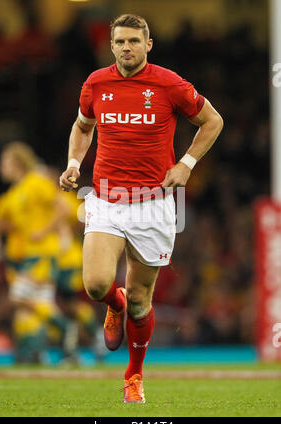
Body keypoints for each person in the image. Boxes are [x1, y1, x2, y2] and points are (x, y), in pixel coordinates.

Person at [59, 14, 223, 402]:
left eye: (134, 41)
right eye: (120, 42)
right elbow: (84, 127)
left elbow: (212, 121)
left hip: (153, 204)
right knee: (97, 284)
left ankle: (134, 375)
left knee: (140, 300)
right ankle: (110, 305)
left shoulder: (169, 84)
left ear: (148, 45)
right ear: (111, 45)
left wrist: (186, 164)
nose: (126, 48)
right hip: (105, 198)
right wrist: (72, 164)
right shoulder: (96, 83)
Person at [0, 142, 68, 362]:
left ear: (17, 162)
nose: (1, 167)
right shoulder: (12, 195)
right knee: (31, 307)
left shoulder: (37, 184)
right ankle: (36, 353)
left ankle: (66, 329)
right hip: (22, 257)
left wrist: (44, 231)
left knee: (18, 297)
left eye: (4, 162)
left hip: (42, 252)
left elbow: (63, 208)